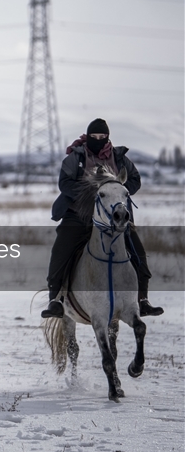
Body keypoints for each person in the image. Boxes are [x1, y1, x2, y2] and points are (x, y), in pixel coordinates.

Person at [41, 118, 163, 319]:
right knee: (61, 250)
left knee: (138, 252)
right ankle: (56, 300)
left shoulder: (119, 157)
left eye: (102, 137)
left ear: (108, 137)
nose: (98, 140)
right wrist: (89, 194)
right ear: (87, 137)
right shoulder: (76, 157)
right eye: (94, 137)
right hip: (78, 216)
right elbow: (64, 183)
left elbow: (135, 180)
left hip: (115, 219)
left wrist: (118, 192)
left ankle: (142, 300)